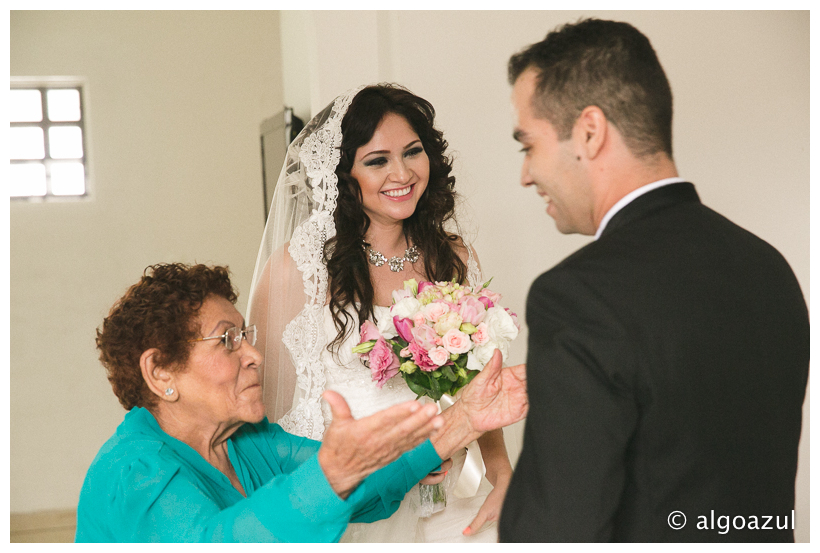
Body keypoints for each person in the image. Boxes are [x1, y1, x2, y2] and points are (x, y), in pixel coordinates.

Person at [499, 18, 809, 542]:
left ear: (590, 132)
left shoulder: (578, 296)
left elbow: (556, 530)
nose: (525, 174)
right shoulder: (769, 267)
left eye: (528, 145)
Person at [76, 263, 527, 542]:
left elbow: (359, 483)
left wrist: (466, 418)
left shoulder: (249, 441)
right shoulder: (134, 471)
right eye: (228, 340)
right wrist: (332, 475)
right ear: (160, 373)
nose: (253, 355)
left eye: (246, 336)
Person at [247, 84, 513, 542]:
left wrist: (501, 468)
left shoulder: (453, 257)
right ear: (343, 176)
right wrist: (392, 466)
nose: (402, 172)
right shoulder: (297, 271)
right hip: (360, 509)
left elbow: (478, 380)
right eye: (377, 161)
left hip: (455, 495)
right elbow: (269, 424)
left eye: (413, 152)